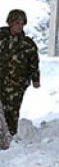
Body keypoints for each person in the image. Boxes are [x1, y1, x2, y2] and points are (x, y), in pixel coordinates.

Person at [0, 9, 40, 138]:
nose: (19, 26)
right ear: (10, 23)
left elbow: (33, 63)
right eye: (17, 23)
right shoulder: (1, 38)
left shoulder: (27, 44)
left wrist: (35, 79)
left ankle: (10, 137)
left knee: (12, 112)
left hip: (17, 85)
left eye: (22, 23)